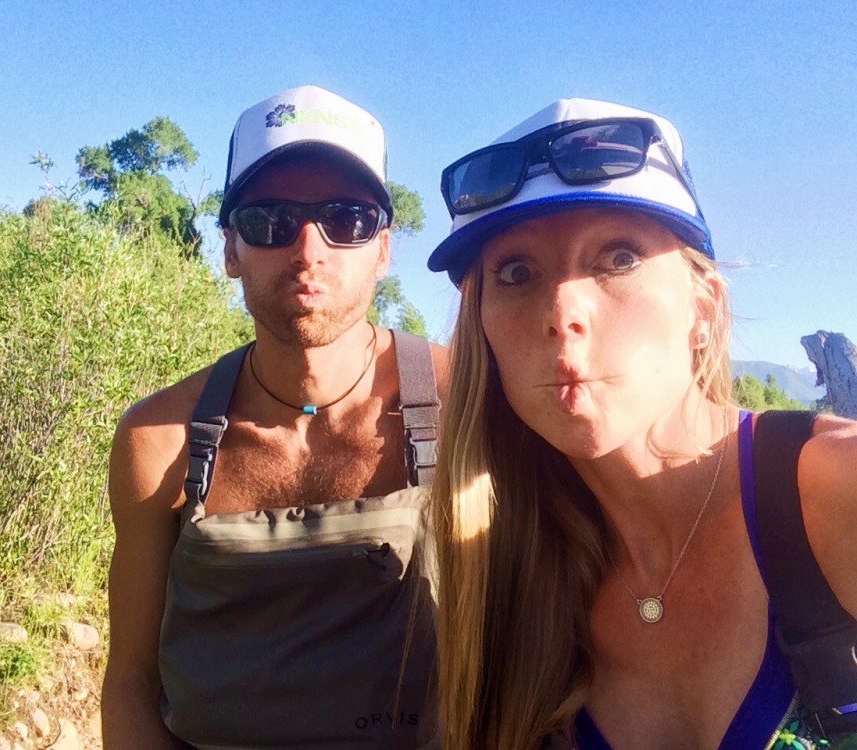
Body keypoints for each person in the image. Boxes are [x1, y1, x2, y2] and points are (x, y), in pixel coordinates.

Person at [426, 97, 857, 749]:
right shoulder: (507, 581)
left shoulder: (836, 492)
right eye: (516, 273)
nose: (561, 310)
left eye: (619, 257)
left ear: (703, 307)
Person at [102, 85, 447, 750]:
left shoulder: (471, 411)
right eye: (270, 220)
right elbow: (131, 683)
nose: (309, 248)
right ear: (230, 249)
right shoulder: (160, 440)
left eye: (346, 219)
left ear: (383, 248)